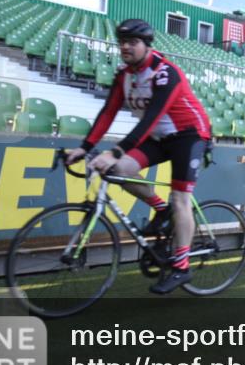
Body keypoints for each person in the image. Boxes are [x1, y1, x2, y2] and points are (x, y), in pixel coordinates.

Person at [65, 19, 211, 294]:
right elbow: (107, 112)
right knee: (118, 169)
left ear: (146, 45)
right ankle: (160, 208)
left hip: (188, 135)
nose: (125, 47)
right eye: (122, 42)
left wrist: (114, 150)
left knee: (180, 198)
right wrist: (85, 147)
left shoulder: (165, 73)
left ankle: (181, 267)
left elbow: (151, 118)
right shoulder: (124, 75)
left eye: (132, 42)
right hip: (158, 138)